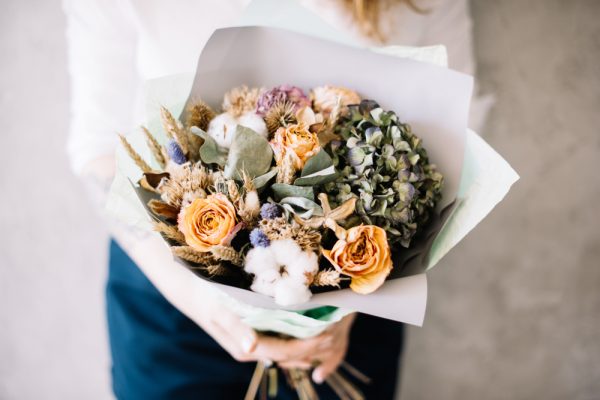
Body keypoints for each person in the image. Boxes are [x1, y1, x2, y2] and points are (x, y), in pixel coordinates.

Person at [63, 0, 481, 398]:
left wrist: (345, 305)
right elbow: (98, 149)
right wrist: (198, 299)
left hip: (354, 300)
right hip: (169, 294)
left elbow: (457, 121)